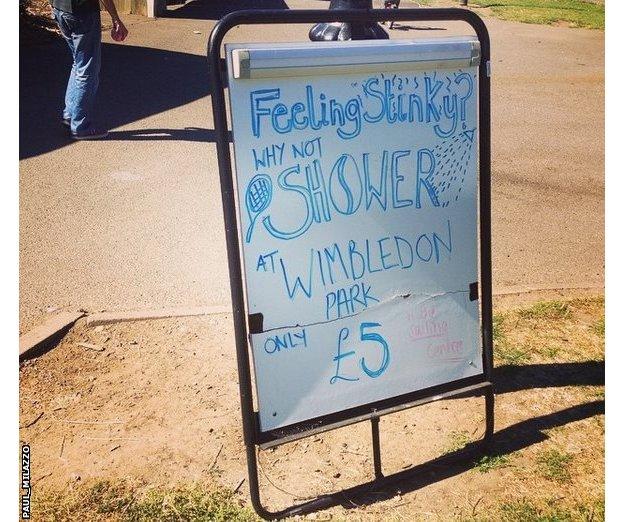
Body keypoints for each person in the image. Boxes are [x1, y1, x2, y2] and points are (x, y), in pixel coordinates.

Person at [50, 0, 128, 140]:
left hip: (60, 9)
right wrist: (115, 18)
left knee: (79, 63)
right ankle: (80, 126)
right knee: (87, 70)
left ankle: (70, 115)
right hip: (82, 14)